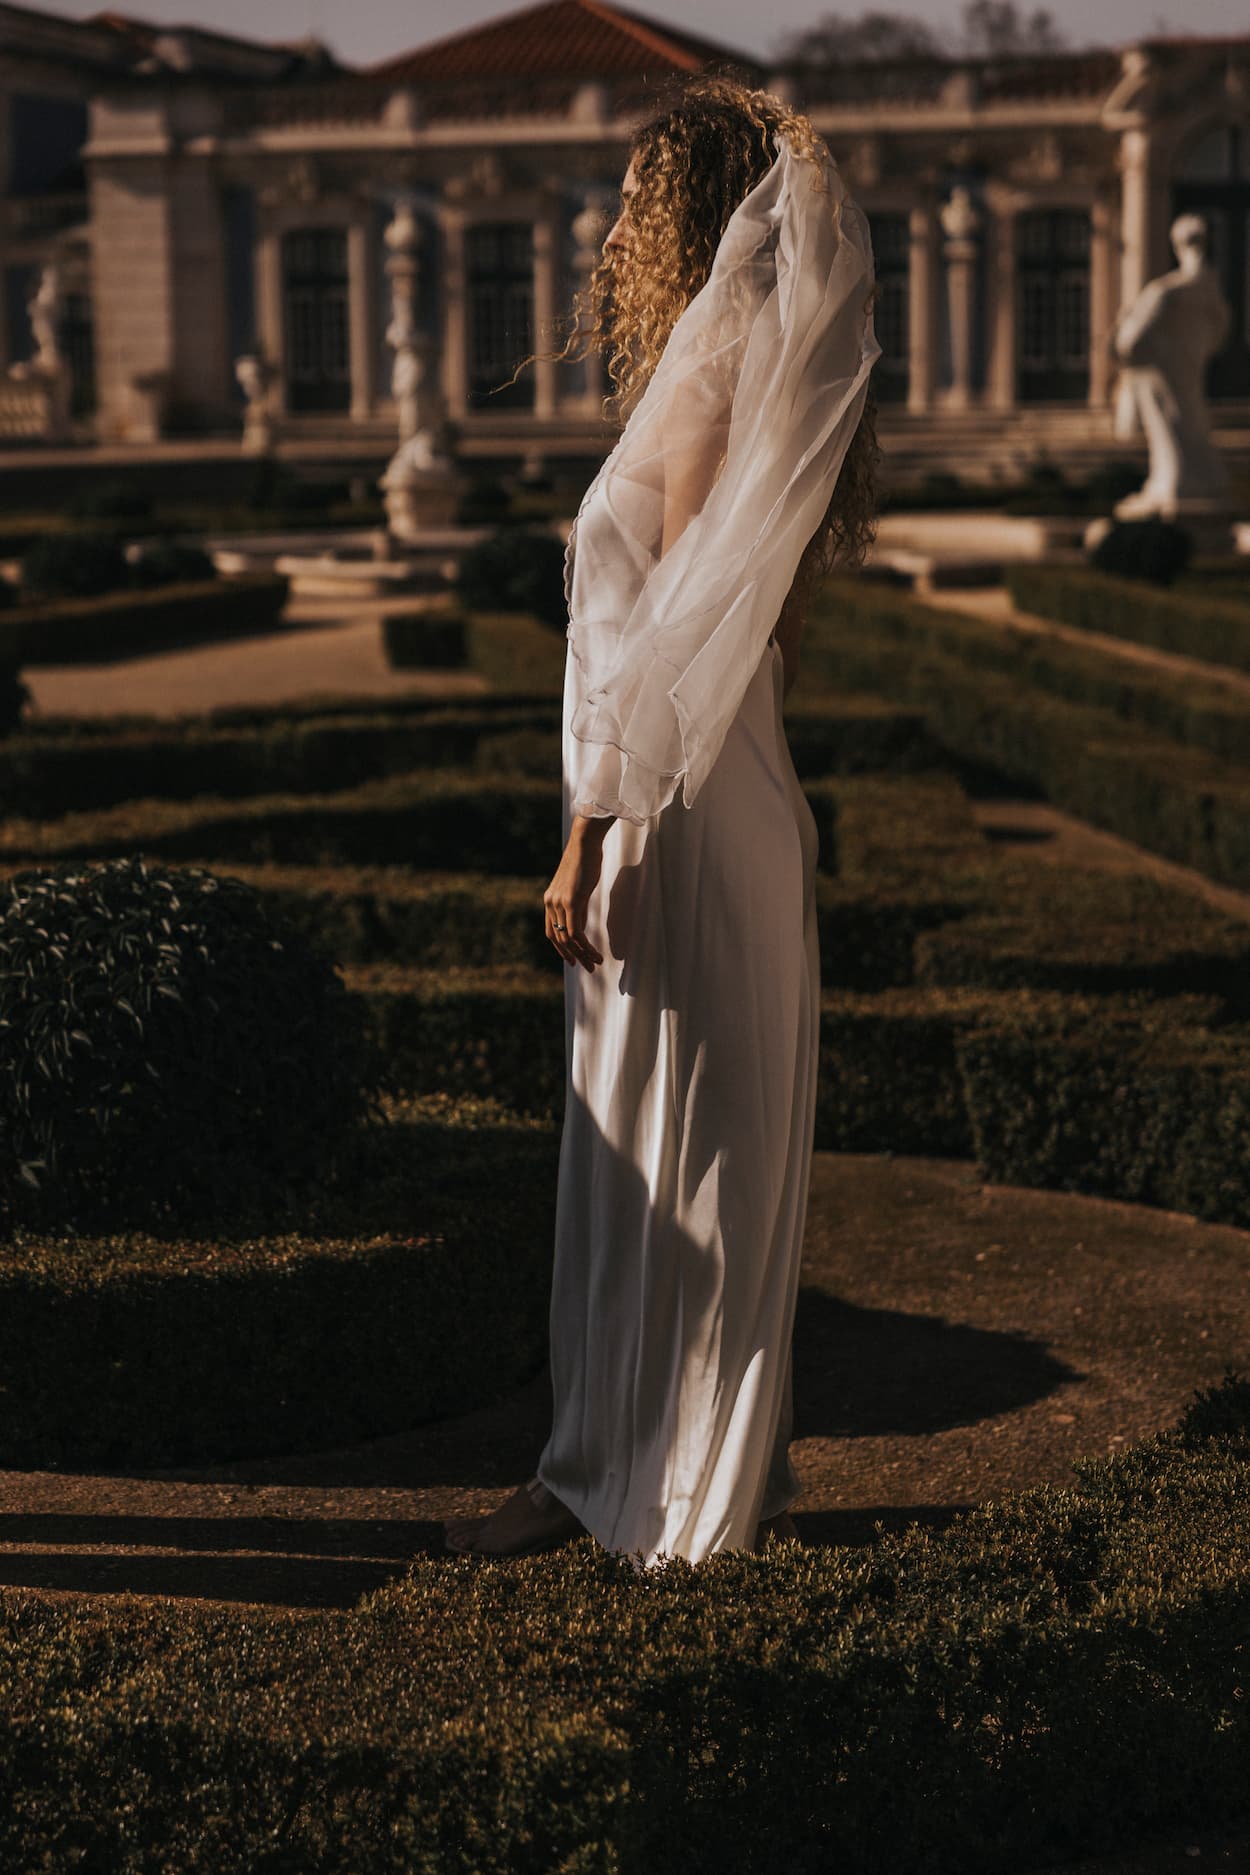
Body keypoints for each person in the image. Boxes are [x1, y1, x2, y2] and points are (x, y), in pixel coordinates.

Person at [445, 75, 880, 1570]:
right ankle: (629, 1465)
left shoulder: (714, 375)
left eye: (637, 195)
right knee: (679, 1146)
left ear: (691, 209)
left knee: (666, 1147)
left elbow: (671, 635)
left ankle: (648, 1483)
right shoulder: (749, 364)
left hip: (671, 818)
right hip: (717, 801)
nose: (615, 218)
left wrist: (588, 832)